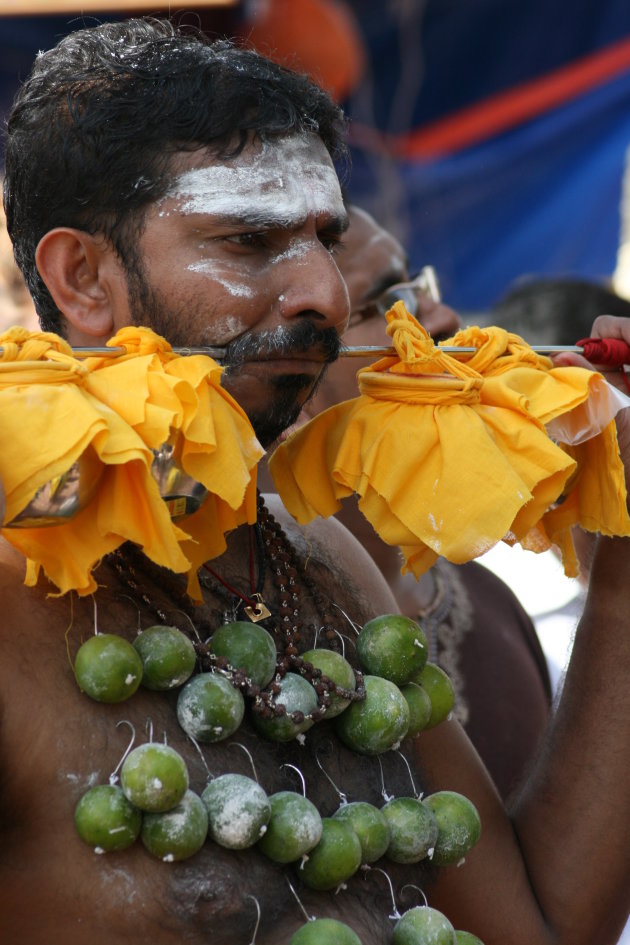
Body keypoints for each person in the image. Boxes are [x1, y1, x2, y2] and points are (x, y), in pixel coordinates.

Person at [2, 18, 630, 945]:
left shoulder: (318, 557)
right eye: (250, 242)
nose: (325, 296)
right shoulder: (15, 593)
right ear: (82, 278)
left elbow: (533, 933)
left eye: (325, 239)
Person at [284, 204, 553, 802]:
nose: (444, 319)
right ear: (286, 387)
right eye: (381, 306)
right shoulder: (257, 654)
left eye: (416, 287)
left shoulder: (491, 601)